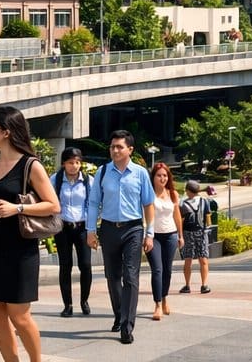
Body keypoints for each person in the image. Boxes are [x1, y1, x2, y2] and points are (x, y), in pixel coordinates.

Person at [0, 106, 59, 362]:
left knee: (19, 315)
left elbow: (53, 206)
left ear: (7, 132)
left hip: (21, 250)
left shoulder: (31, 165)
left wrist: (17, 208)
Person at [86, 130, 155, 344]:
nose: (115, 150)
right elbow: (94, 202)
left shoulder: (141, 173)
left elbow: (148, 204)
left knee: (131, 276)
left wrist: (149, 233)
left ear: (130, 150)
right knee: (112, 276)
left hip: (133, 228)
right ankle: (118, 313)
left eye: (119, 147)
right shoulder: (103, 172)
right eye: (112, 147)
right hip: (108, 228)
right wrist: (90, 230)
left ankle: (127, 326)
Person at [53, 147, 92, 318]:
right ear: (63, 163)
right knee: (65, 265)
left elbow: (93, 204)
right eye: (70, 162)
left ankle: (84, 300)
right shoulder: (55, 179)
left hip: (82, 227)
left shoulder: (88, 181)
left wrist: (92, 229)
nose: (74, 166)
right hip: (63, 227)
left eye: (77, 162)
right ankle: (67, 304)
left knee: (85, 265)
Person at [145, 162, 182, 321]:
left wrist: (181, 235)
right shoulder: (148, 194)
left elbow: (177, 216)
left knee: (167, 270)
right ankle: (158, 304)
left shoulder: (172, 193)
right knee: (157, 270)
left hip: (171, 235)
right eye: (159, 175)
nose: (162, 178)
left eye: (165, 175)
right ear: (153, 177)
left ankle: (165, 297)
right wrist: (146, 235)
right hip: (154, 236)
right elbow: (144, 217)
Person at [178, 179, 213, 294]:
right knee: (203, 259)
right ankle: (204, 285)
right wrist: (208, 227)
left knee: (188, 260)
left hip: (188, 233)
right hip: (202, 232)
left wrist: (180, 235)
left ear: (188, 190)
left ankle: (187, 285)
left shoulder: (183, 204)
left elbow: (181, 221)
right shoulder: (204, 201)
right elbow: (208, 218)